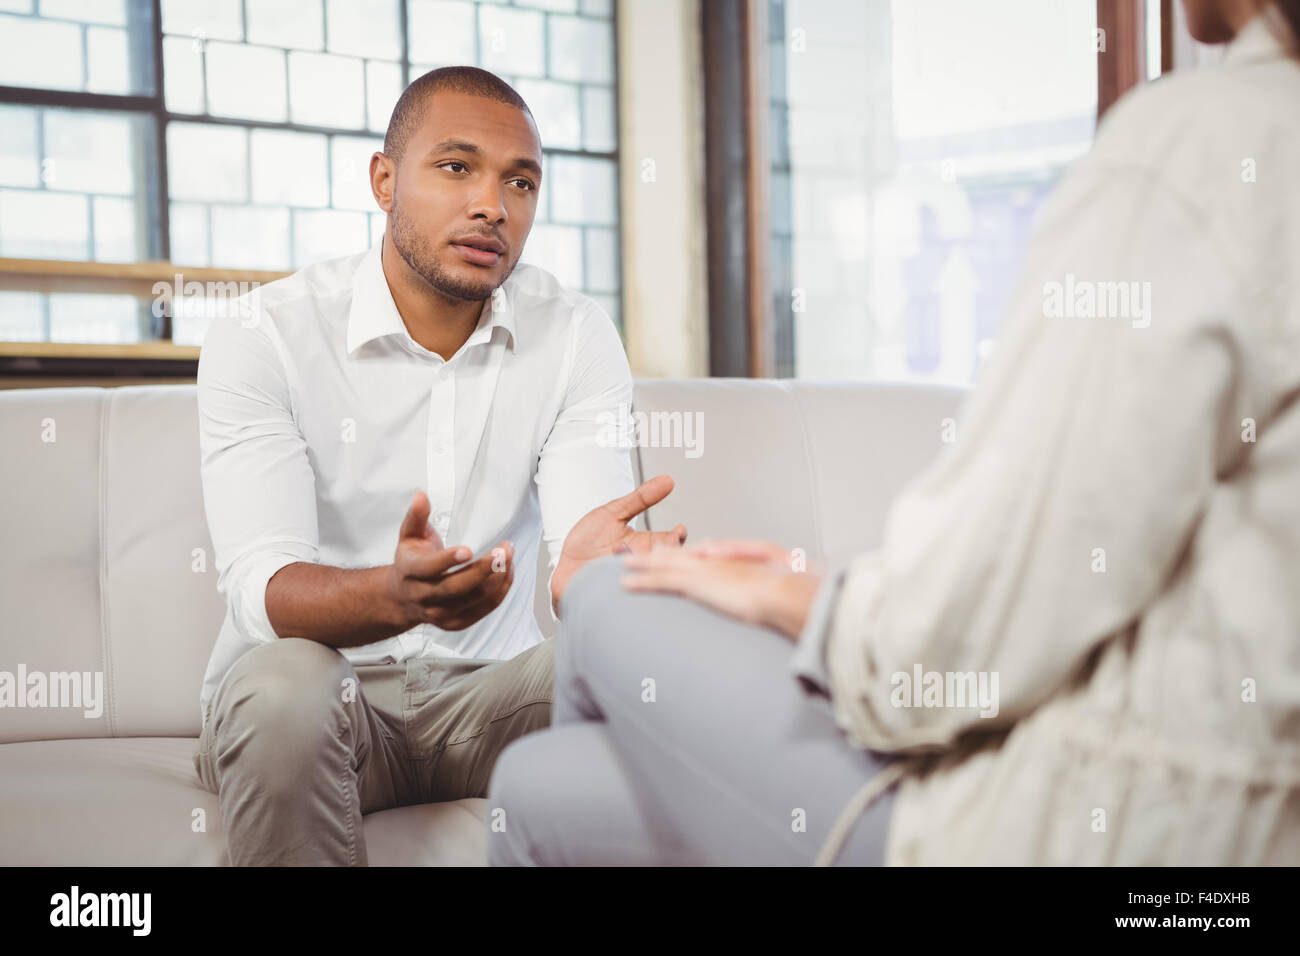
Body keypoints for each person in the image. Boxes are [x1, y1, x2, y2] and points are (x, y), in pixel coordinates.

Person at [487, 0, 1300, 865]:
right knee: (540, 790)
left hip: (1100, 827)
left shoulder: (1210, 141)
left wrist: (813, 601)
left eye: (521, 180)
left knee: (606, 588)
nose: (495, 206)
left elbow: (960, 637)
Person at [192, 66, 685, 866]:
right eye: (456, 168)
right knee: (282, 687)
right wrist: (394, 599)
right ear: (384, 181)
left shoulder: (574, 333)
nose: (492, 204)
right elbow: (264, 590)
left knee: (645, 663)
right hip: (321, 707)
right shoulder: (265, 335)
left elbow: (581, 553)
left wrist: (593, 587)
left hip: (489, 701)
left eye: (519, 181)